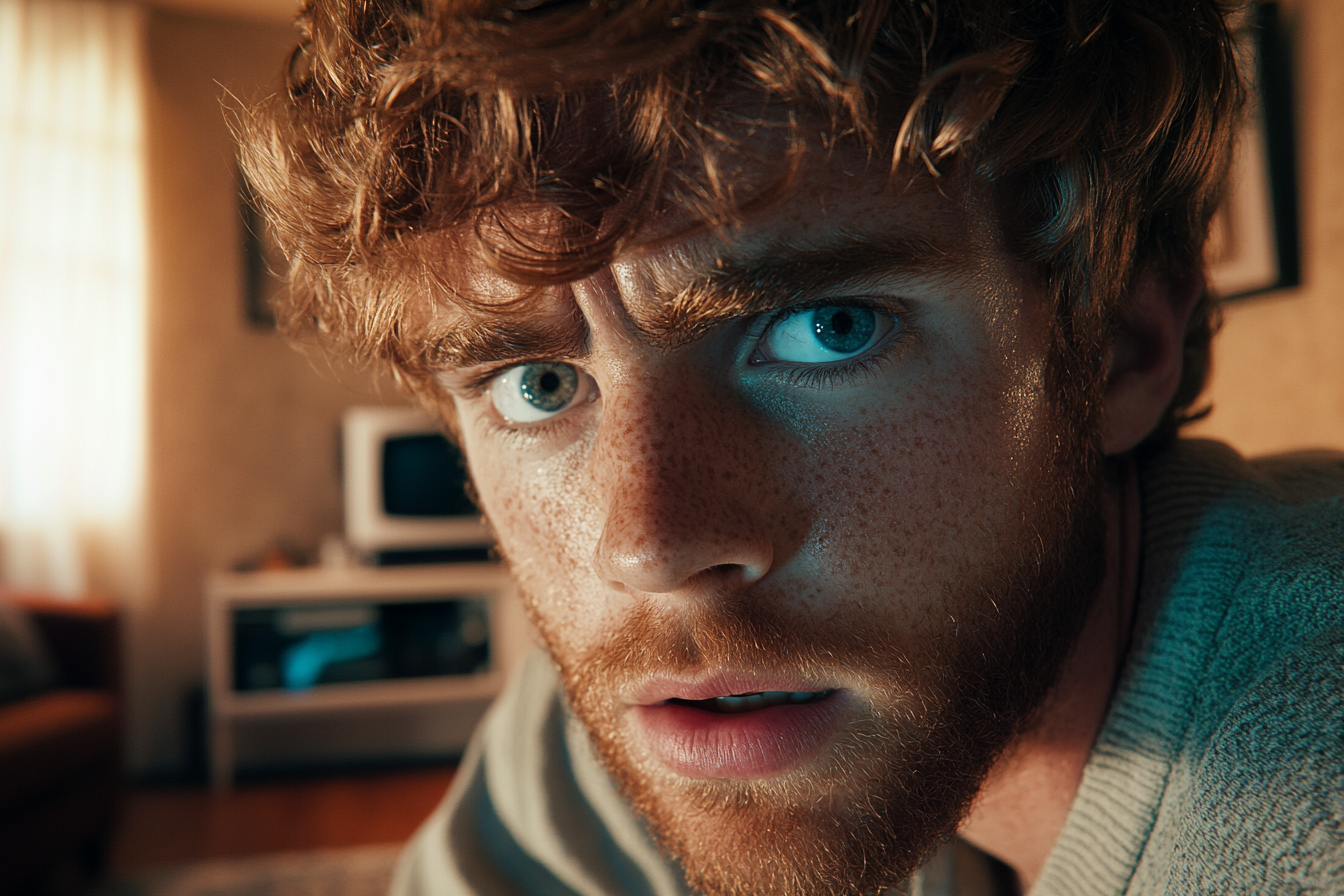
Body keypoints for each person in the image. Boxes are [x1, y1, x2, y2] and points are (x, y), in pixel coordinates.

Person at [237, 1, 1344, 893]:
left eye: (831, 330)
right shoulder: (685, 705)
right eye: (539, 384)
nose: (651, 546)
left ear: (1117, 347)